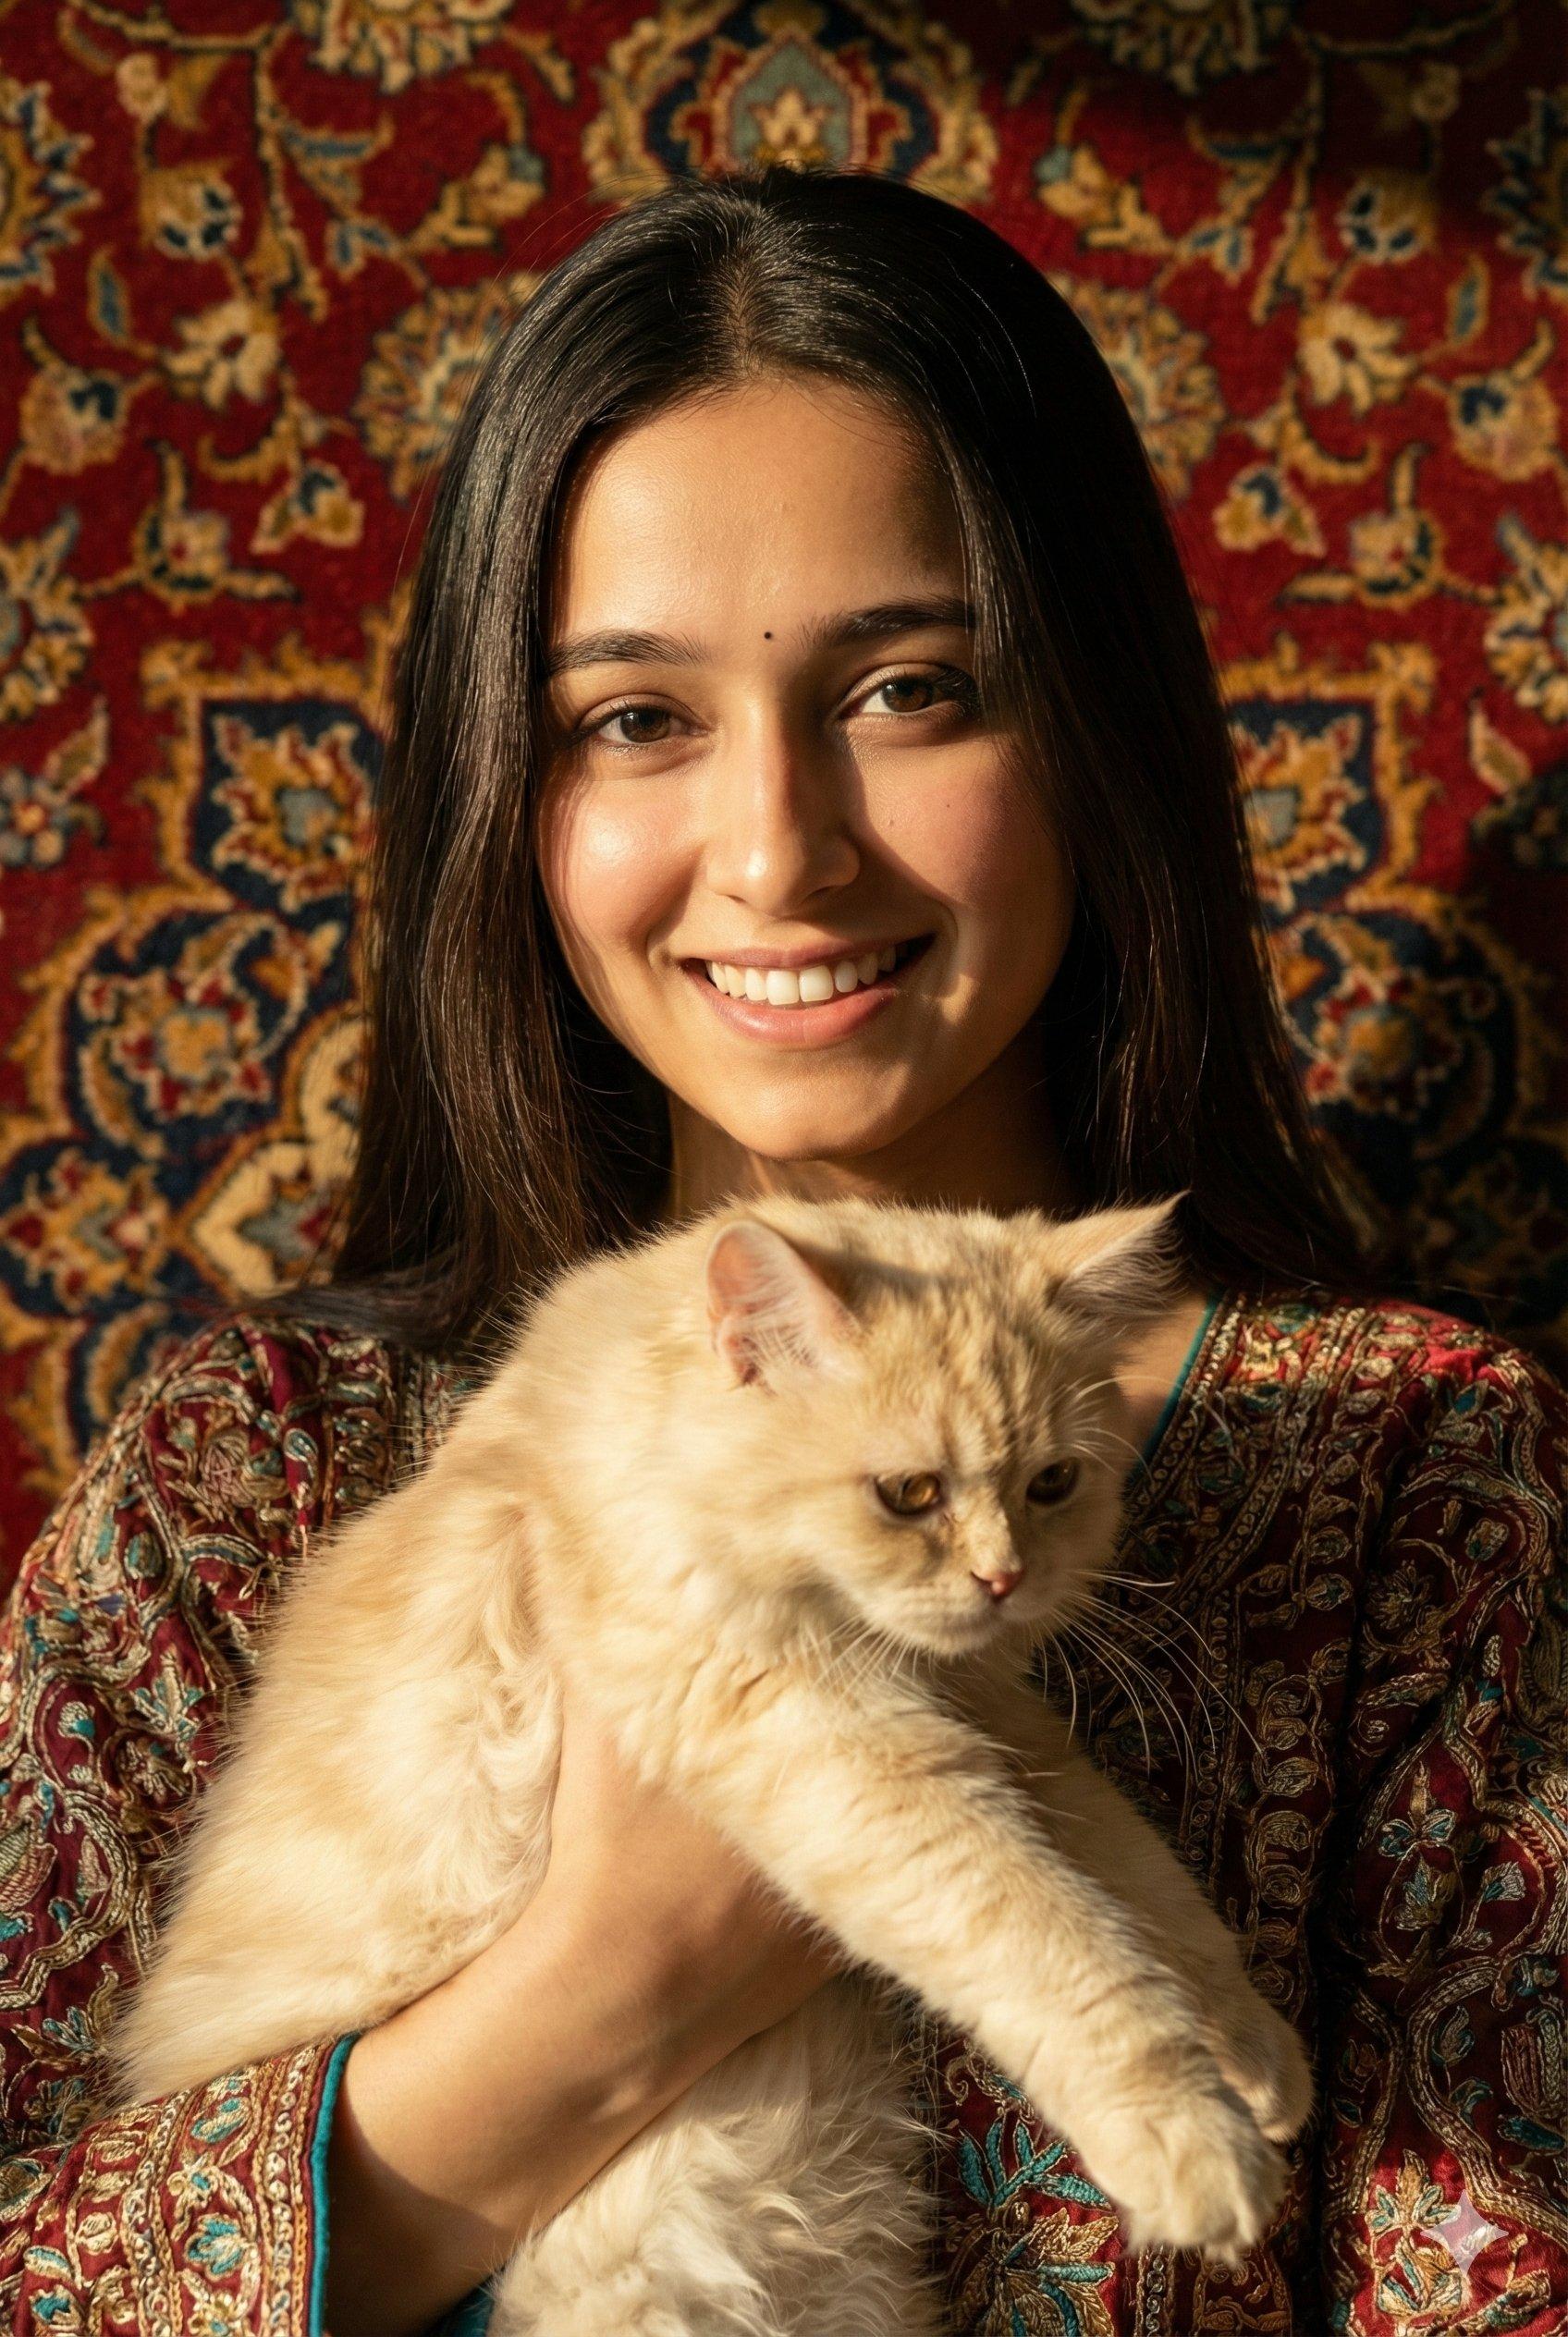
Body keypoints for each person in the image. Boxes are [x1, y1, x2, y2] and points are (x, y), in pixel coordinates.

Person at [1, 164, 1563, 2337]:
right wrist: (602, 1991)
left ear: (1093, 724)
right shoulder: (242, 1471)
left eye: (911, 686)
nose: (778, 850)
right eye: (634, 719)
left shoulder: (1403, 1467)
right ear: (503, 786)